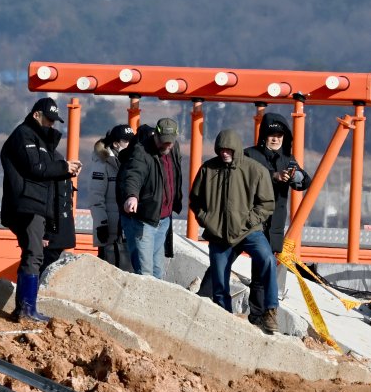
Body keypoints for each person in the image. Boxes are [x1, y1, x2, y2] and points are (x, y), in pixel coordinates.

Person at [0, 97, 82, 322]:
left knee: (34, 254)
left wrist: (64, 170)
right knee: (33, 255)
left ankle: (28, 308)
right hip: (26, 205)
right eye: (48, 120)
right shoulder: (24, 135)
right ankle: (26, 309)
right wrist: (63, 167)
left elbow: (44, 171)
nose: (51, 125)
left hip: (35, 205)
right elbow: (36, 168)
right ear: (36, 114)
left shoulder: (39, 140)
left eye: (54, 122)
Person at [189, 129, 278, 332]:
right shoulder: (208, 169)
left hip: (249, 231)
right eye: (221, 149)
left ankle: (271, 310)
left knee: (267, 260)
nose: (224, 153)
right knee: (219, 278)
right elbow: (195, 200)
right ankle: (224, 319)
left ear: (236, 149)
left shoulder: (255, 170)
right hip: (219, 234)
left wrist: (249, 221)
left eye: (228, 149)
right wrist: (206, 220)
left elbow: (267, 203)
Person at [243, 113, 312, 326]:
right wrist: (273, 176)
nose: (275, 139)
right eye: (271, 134)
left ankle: (258, 314)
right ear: (264, 135)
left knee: (262, 268)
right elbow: (244, 177)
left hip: (273, 224)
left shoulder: (288, 159)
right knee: (227, 258)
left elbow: (304, 181)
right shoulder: (249, 154)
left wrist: (295, 177)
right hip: (250, 221)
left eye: (279, 135)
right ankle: (211, 297)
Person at [116, 118, 183, 279]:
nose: (166, 146)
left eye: (170, 143)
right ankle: (142, 302)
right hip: (146, 218)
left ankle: (156, 303)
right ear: (156, 136)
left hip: (164, 217)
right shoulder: (141, 151)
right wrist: (132, 196)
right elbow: (134, 175)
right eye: (164, 143)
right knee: (145, 271)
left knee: (158, 270)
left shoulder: (174, 149)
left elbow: (175, 176)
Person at [87, 124, 134, 270]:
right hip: (109, 232)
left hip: (125, 230)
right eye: (126, 141)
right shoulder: (102, 164)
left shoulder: (128, 162)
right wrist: (102, 225)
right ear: (115, 143)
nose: (130, 144)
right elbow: (96, 198)